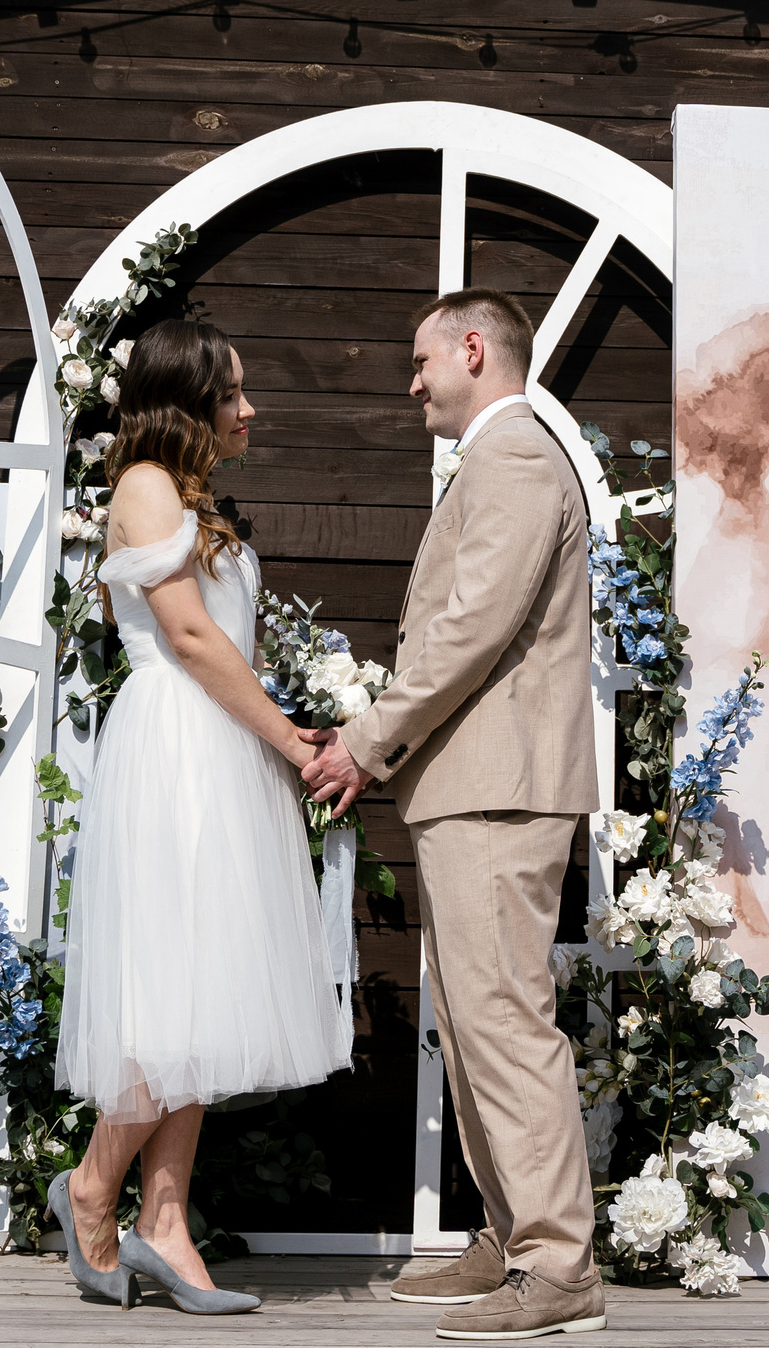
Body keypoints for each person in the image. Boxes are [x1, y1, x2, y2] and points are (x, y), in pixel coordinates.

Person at [302, 287, 603, 1341]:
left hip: (498, 787)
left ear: (473, 349)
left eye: (421, 359)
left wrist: (368, 741)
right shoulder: (501, 458)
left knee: (504, 1022)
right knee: (474, 1024)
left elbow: (472, 624)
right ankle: (510, 1233)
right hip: (479, 786)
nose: (411, 379)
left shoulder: (514, 456)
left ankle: (557, 1264)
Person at [47, 320, 353, 1315]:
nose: (249, 408)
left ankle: (165, 1224)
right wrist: (288, 738)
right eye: (233, 393)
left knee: (204, 992)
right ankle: (93, 1185)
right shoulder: (141, 482)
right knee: (169, 989)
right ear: (186, 403)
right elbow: (184, 635)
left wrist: (262, 739)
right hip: (179, 749)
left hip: (213, 746)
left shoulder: (187, 498)